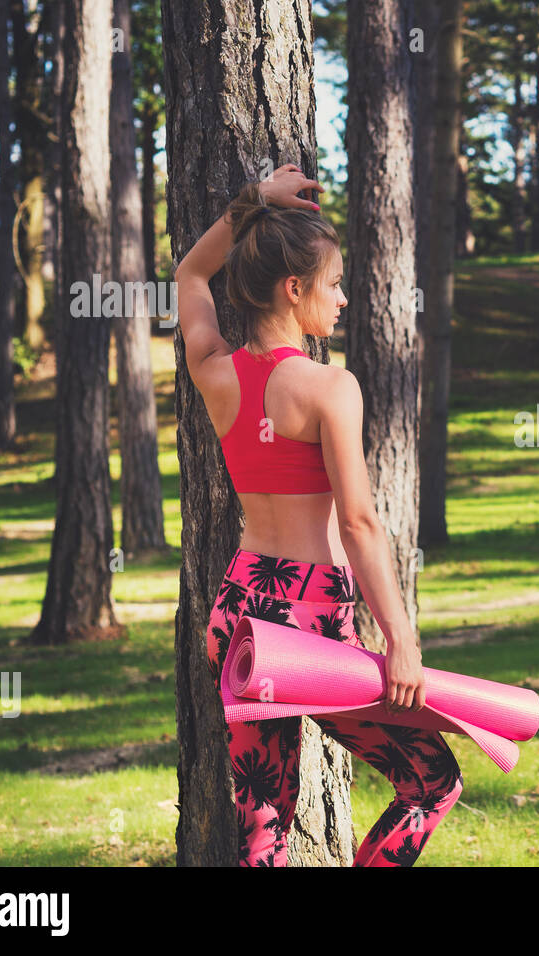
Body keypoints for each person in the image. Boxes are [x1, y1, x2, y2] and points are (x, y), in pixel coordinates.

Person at [176, 163, 463, 867]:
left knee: (264, 822)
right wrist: (400, 639)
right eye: (333, 284)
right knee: (431, 782)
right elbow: (361, 523)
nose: (342, 299)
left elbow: (188, 276)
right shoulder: (331, 388)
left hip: (240, 607)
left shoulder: (215, 371)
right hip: (308, 619)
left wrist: (255, 203)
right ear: (294, 288)